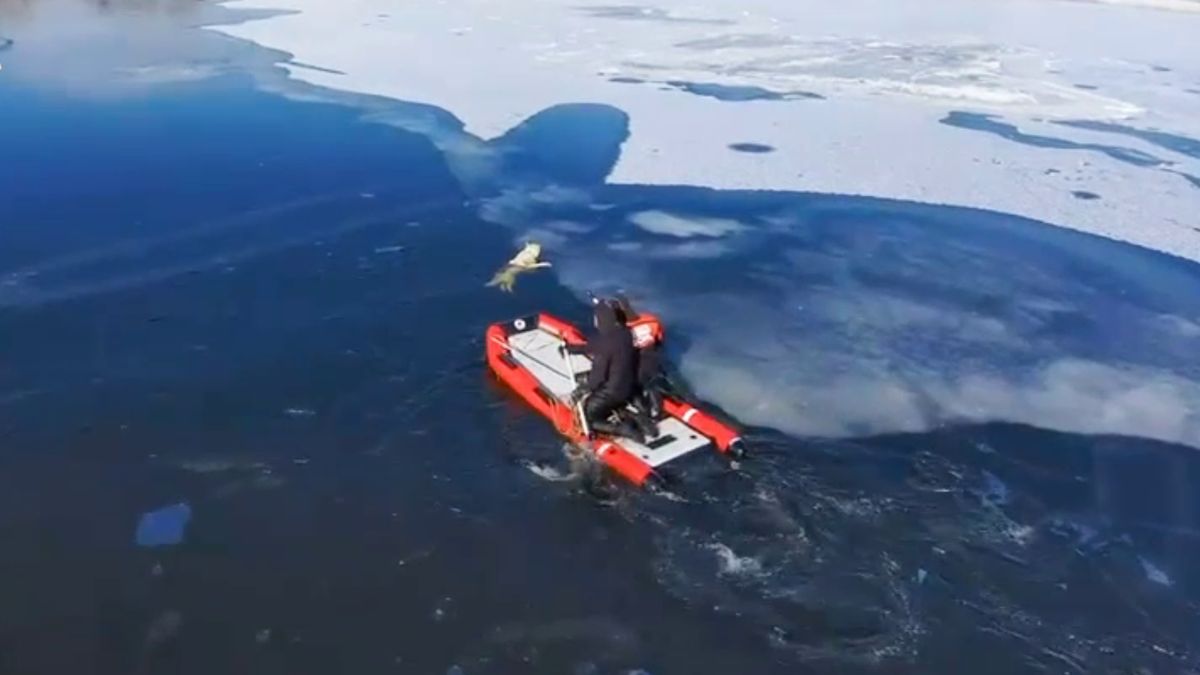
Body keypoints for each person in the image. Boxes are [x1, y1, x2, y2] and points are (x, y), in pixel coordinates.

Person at [565, 299, 645, 442]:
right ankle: (635, 416)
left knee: (588, 414)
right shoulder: (625, 334)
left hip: (611, 393)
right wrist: (573, 349)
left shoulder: (604, 343)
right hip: (628, 386)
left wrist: (583, 389)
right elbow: (595, 346)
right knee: (614, 396)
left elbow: (598, 378)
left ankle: (623, 429)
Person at [613, 294, 667, 419]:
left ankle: (644, 413)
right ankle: (659, 411)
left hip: (638, 362)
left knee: (633, 386)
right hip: (653, 358)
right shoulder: (652, 320)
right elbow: (659, 340)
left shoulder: (622, 331)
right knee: (651, 384)